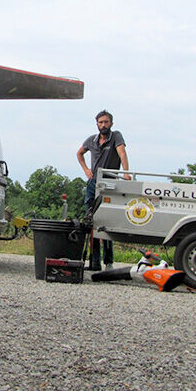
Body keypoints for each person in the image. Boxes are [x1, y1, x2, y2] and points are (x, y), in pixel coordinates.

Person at [76, 110, 130, 271]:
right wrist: (86, 169)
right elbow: (79, 153)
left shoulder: (116, 136)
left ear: (111, 123)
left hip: (109, 182)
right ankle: (94, 262)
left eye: (106, 122)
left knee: (107, 223)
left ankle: (109, 262)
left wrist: (126, 172)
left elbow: (122, 153)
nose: (103, 125)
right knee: (91, 221)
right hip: (93, 183)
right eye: (100, 122)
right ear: (97, 124)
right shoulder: (91, 140)